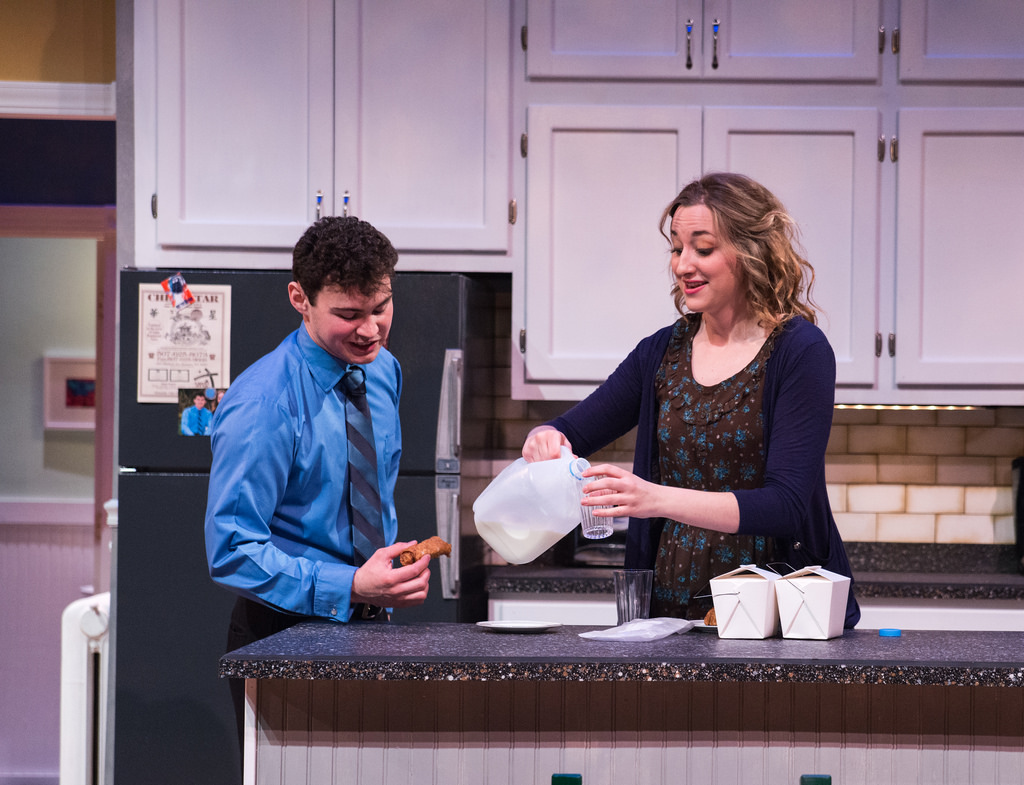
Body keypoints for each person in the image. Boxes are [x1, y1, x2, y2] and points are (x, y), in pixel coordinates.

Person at [522, 172, 860, 628]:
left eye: (703, 248)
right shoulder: (661, 352)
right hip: (668, 611)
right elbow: (572, 430)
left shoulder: (799, 350)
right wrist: (545, 437)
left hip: (775, 611)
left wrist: (654, 498)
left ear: (750, 252)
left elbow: (786, 505)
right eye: (677, 248)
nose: (683, 264)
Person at [204, 216, 433, 745]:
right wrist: (350, 585)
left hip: (374, 630)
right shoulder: (263, 403)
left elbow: (371, 490)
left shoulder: (382, 371)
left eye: (381, 308)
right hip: (282, 636)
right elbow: (232, 549)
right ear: (299, 298)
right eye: (348, 315)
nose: (371, 330)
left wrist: (385, 575)